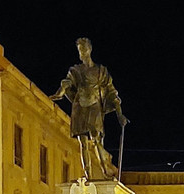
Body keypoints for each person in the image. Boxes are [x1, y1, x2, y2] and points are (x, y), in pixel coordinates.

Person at [50, 37, 128, 181]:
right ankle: (88, 176)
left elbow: (112, 92)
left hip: (94, 106)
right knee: (83, 142)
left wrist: (120, 114)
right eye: (80, 50)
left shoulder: (101, 71)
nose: (82, 53)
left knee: (97, 139)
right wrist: (60, 92)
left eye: (84, 49)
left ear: (90, 49)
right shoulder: (75, 70)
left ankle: (105, 171)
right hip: (79, 106)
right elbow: (67, 82)